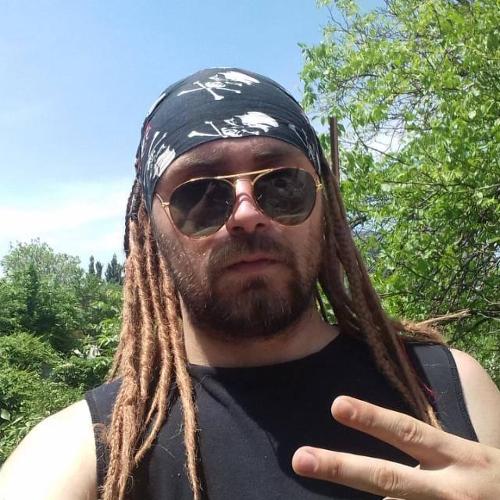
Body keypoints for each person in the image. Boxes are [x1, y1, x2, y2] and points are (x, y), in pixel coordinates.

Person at [1, 68, 499, 500]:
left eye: (281, 184)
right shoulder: (83, 452)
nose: (246, 214)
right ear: (149, 230)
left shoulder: (451, 387)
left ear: (325, 205)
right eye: (200, 194)